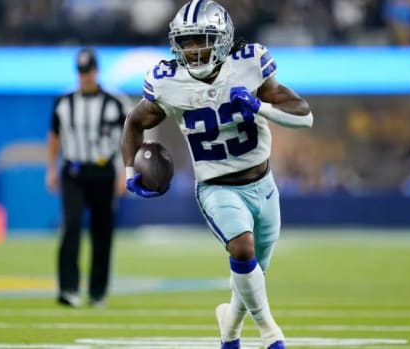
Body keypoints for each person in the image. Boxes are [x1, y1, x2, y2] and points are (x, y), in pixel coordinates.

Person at [121, 1, 313, 348]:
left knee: (254, 270)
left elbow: (303, 115)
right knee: (242, 249)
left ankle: (230, 330)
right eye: (187, 42)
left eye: (202, 40)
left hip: (264, 183)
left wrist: (259, 107)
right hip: (216, 186)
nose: (194, 50)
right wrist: (130, 172)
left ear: (223, 39)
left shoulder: (248, 65)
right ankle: (271, 335)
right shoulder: (169, 82)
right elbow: (134, 121)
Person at [46, 47, 128, 308]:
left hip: (104, 171)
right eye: (81, 72)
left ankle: (97, 292)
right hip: (73, 171)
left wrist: (126, 171)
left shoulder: (115, 102)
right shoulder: (64, 102)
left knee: (102, 232)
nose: (85, 77)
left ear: (97, 71)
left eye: (89, 71)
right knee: (70, 226)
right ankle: (68, 288)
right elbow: (54, 136)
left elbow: (129, 137)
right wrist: (50, 168)